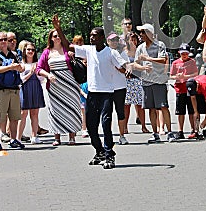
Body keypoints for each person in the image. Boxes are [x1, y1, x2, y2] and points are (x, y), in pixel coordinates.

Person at [53, 16, 129, 169]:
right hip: (92, 94)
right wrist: (59, 29)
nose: (91, 37)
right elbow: (68, 46)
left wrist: (127, 69)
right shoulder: (88, 50)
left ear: (102, 37)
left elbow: (123, 65)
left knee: (106, 125)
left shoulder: (111, 52)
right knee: (91, 126)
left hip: (107, 93)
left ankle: (109, 155)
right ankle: (99, 151)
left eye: (95, 35)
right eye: (91, 35)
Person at [36, 25, 82, 146]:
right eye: (54, 36)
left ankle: (72, 136)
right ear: (50, 38)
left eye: (59, 36)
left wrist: (72, 56)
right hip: (55, 84)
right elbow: (39, 68)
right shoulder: (47, 52)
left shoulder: (67, 50)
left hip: (70, 83)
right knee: (55, 110)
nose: (57, 38)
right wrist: (48, 75)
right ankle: (57, 137)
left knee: (72, 108)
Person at [133, 23, 177, 143]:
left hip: (159, 81)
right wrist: (142, 68)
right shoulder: (140, 48)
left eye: (143, 32)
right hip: (146, 81)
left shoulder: (159, 45)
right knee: (151, 108)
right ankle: (155, 133)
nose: (141, 35)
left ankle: (170, 132)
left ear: (149, 33)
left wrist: (148, 59)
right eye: (140, 32)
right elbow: (135, 63)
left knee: (163, 106)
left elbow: (163, 59)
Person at [0, 32, 25, 150]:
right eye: (1, 40)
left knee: (14, 117)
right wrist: (9, 67)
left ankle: (13, 139)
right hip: (0, 90)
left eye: (5, 39)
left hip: (14, 89)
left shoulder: (13, 54)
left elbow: (21, 67)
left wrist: (19, 67)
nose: (4, 42)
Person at [17, 42, 46, 144]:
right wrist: (30, 73)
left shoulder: (38, 64)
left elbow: (41, 79)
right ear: (24, 51)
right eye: (28, 49)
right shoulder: (21, 64)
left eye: (32, 50)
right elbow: (21, 80)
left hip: (36, 87)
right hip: (25, 89)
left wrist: (38, 72)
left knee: (34, 113)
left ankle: (34, 136)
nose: (30, 52)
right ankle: (18, 138)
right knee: (23, 114)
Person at [169, 43, 198, 139]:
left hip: (189, 89)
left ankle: (193, 129)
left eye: (186, 53)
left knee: (191, 111)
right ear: (179, 53)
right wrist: (177, 77)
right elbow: (171, 75)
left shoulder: (192, 62)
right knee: (180, 112)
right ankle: (180, 131)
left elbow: (195, 73)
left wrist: (186, 77)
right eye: (182, 53)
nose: (184, 55)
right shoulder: (175, 63)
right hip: (179, 89)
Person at [123, 32, 149, 134]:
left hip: (138, 80)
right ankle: (125, 127)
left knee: (140, 105)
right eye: (131, 39)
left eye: (135, 39)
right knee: (126, 105)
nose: (133, 41)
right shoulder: (123, 52)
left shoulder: (140, 51)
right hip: (127, 80)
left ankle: (143, 126)